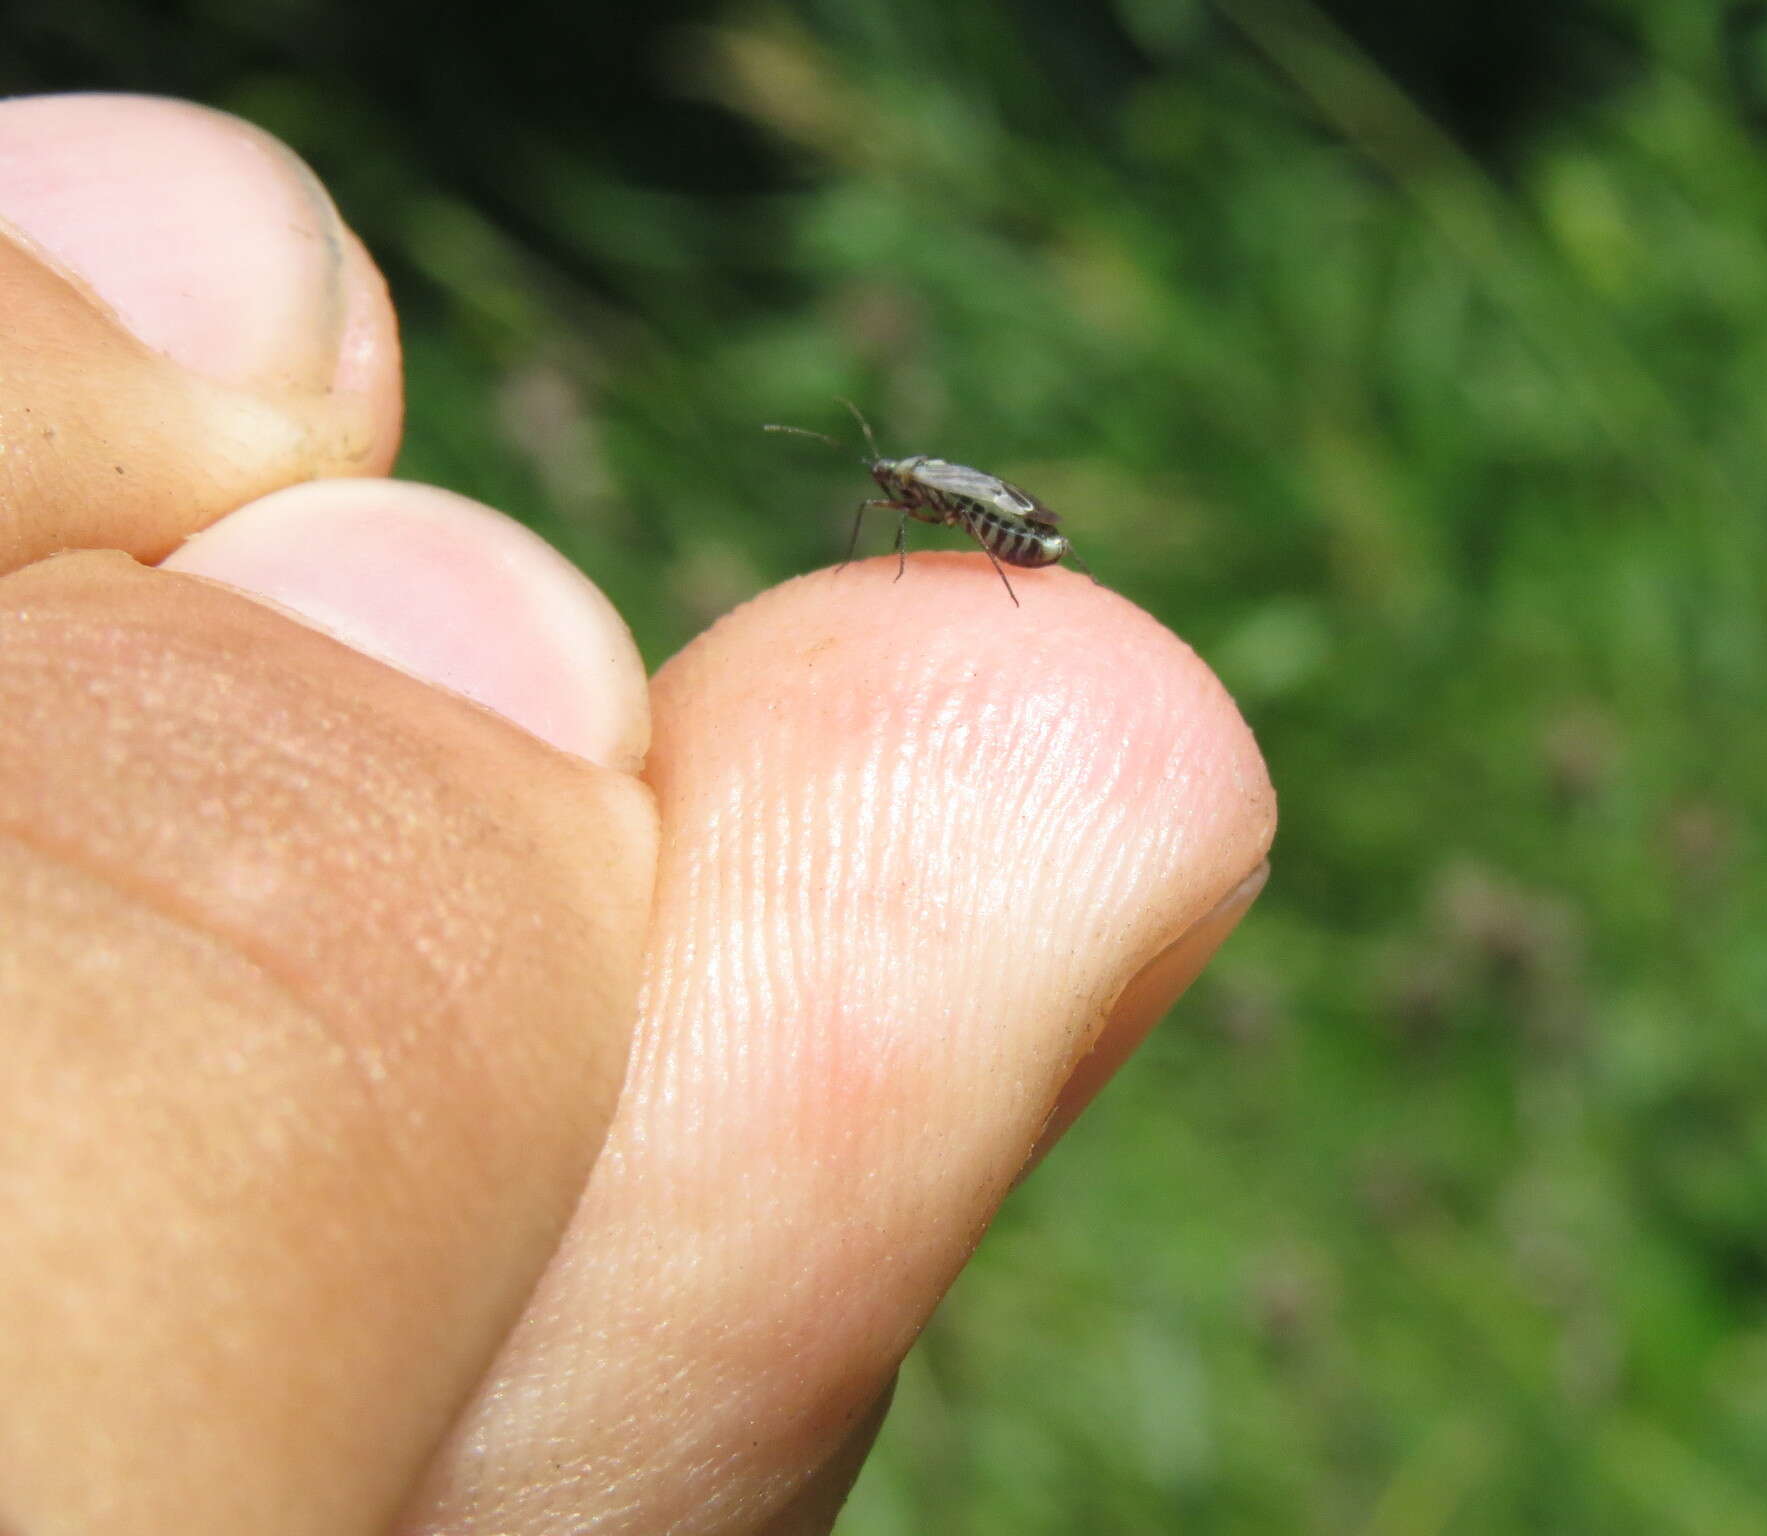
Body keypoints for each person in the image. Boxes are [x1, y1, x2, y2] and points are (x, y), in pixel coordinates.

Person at [0, 93, 1275, 1533]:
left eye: (894, 489)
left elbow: (992, 522)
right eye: (895, 492)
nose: (889, 494)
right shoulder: (906, 497)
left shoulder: (938, 505)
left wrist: (986, 547)